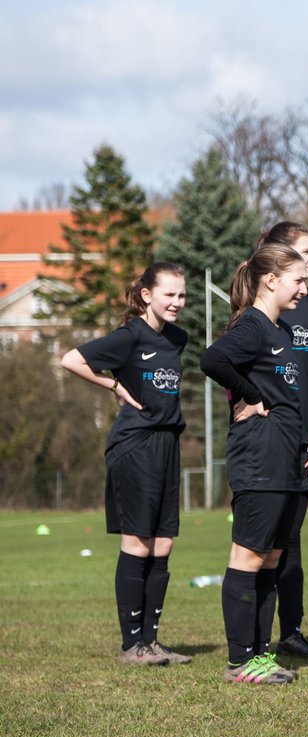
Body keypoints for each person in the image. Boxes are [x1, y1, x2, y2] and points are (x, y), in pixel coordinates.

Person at [60, 263, 193, 666]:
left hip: (167, 444)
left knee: (164, 542)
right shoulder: (129, 336)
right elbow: (70, 359)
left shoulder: (177, 338)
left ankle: (151, 641)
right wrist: (114, 384)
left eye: (182, 295)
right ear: (147, 295)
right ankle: (130, 644)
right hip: (134, 447)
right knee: (137, 541)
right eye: (168, 294)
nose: (176, 302)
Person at [199, 243, 308, 685]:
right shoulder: (253, 325)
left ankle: (260, 656)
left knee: (271, 557)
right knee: (248, 555)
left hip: (285, 461)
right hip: (258, 457)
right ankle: (239, 660)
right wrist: (251, 394)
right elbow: (213, 358)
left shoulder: (279, 331)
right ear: (271, 280)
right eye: (297, 279)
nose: (304, 288)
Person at [252, 222, 308, 660]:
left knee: (293, 543)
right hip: (269, 440)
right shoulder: (261, 307)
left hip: (307, 441)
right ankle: (252, 640)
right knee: (265, 545)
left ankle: (292, 631)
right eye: (306, 251)